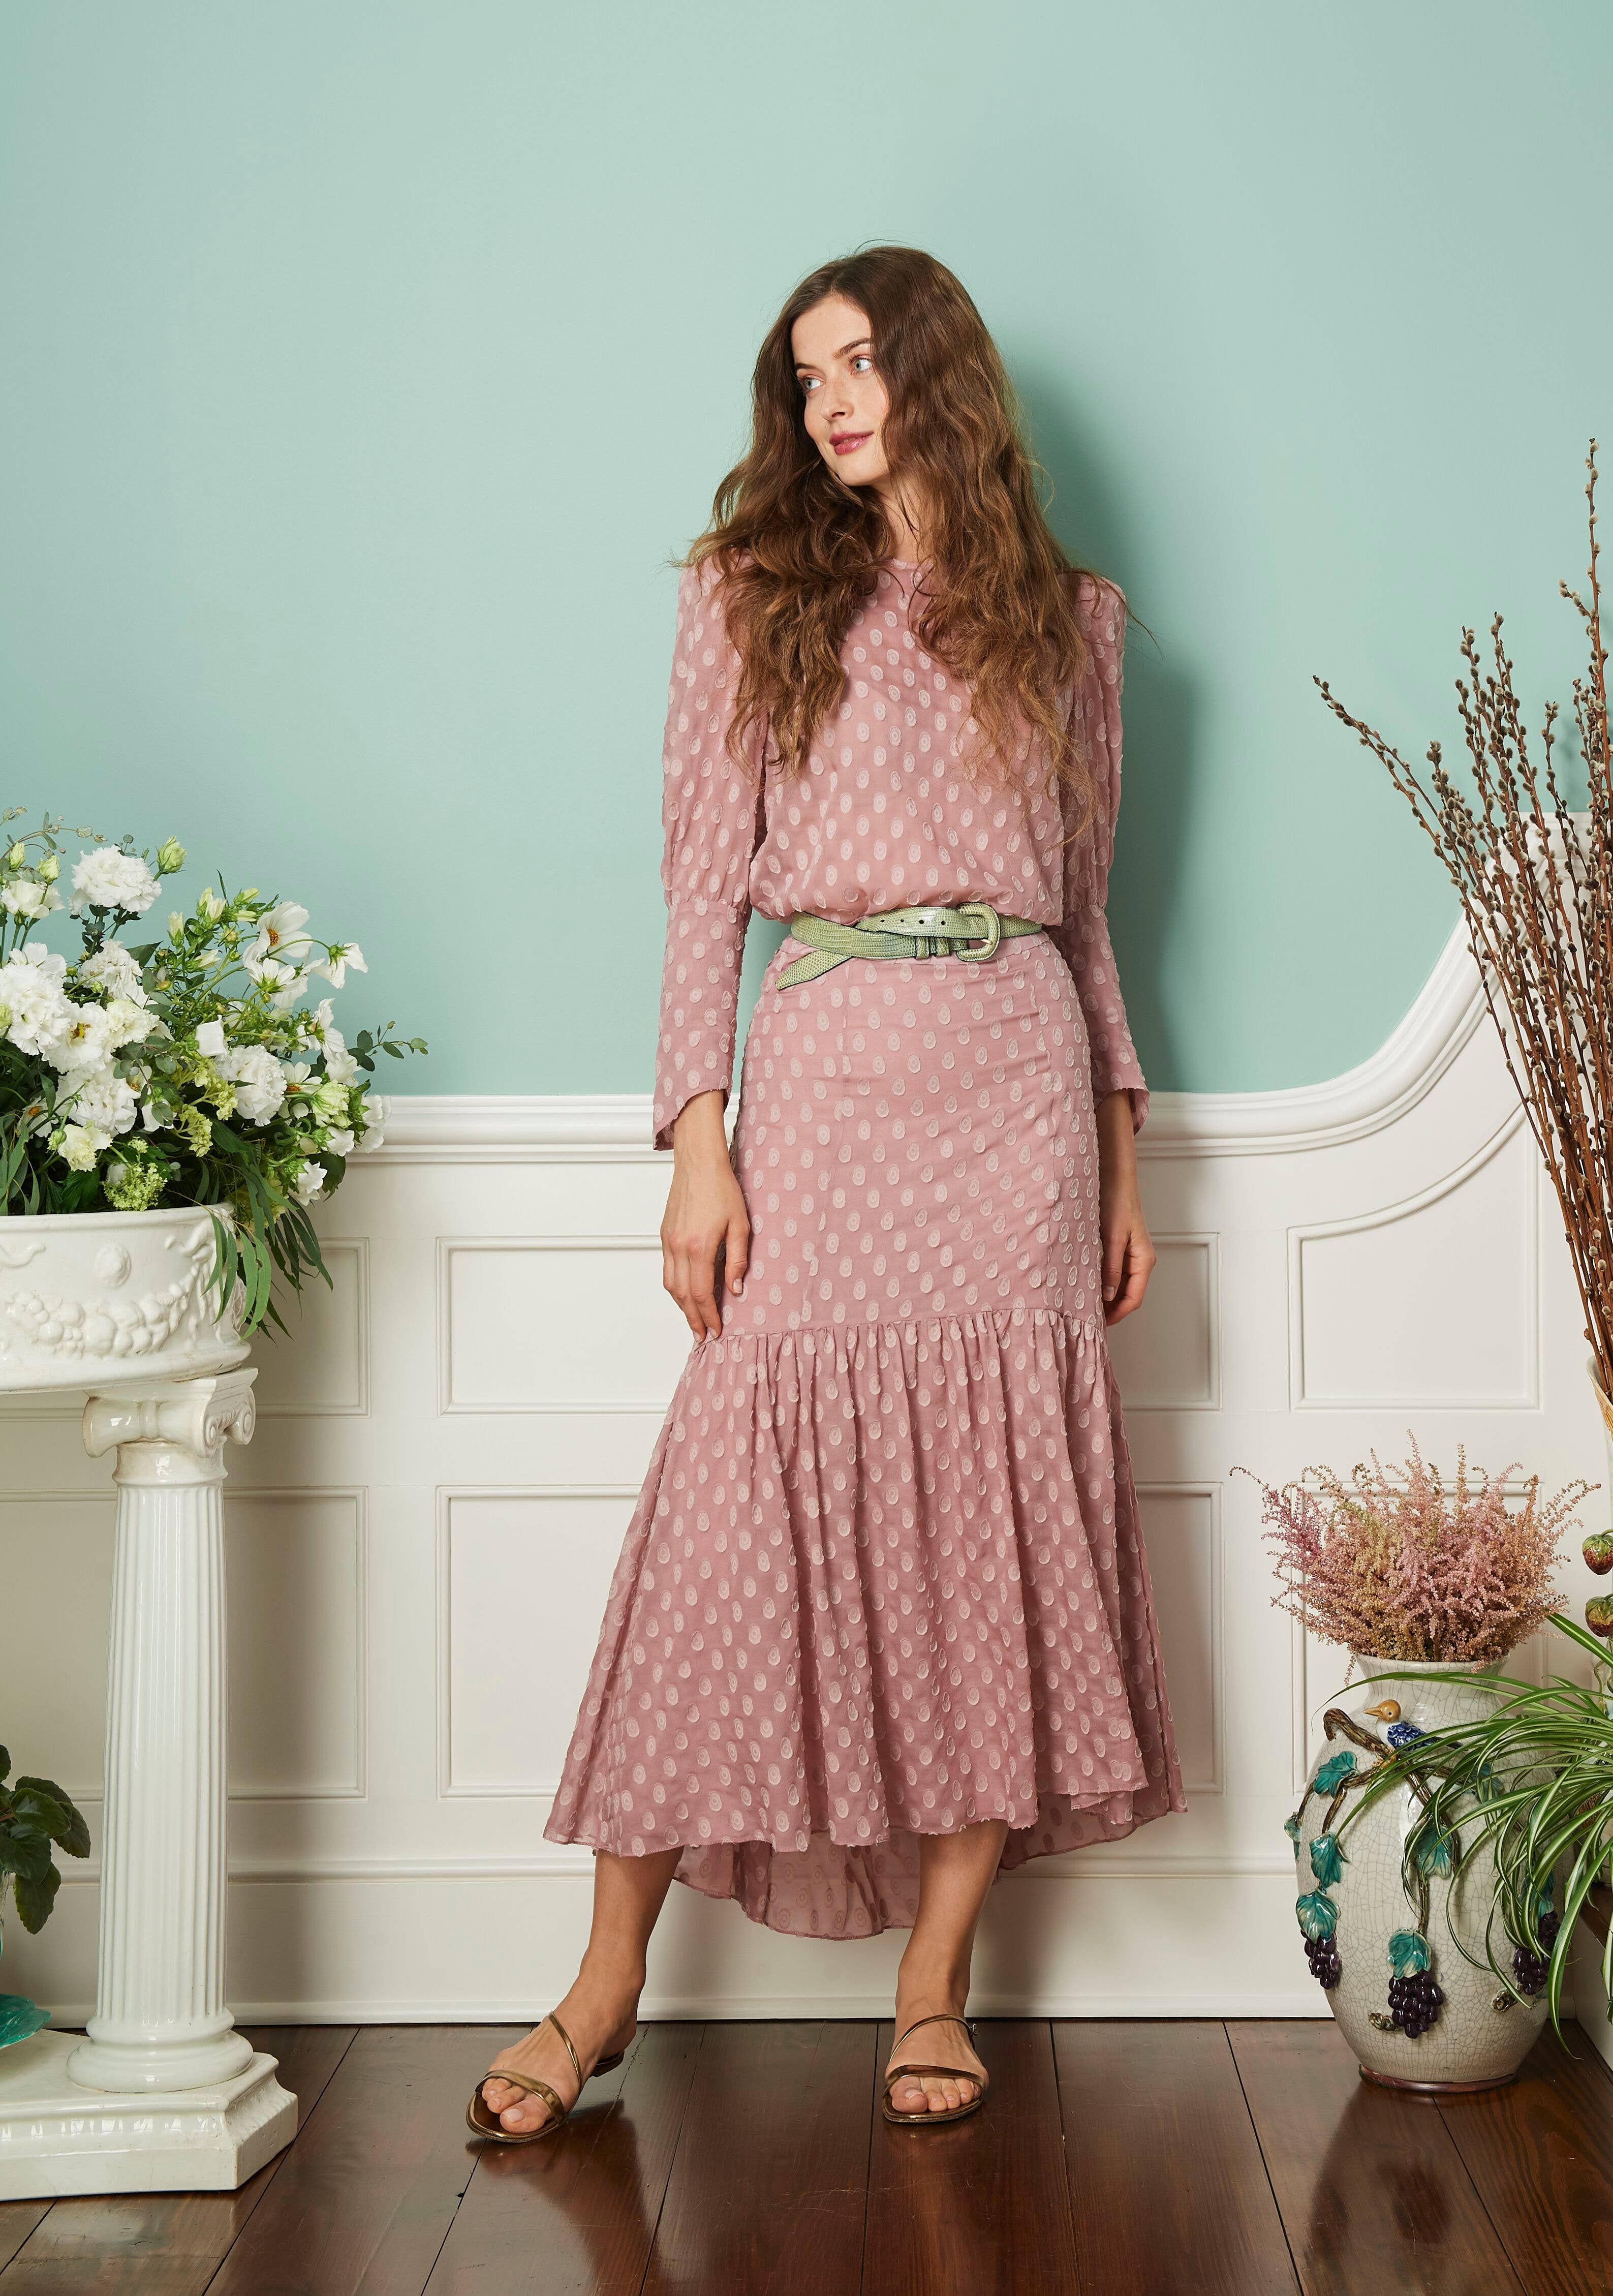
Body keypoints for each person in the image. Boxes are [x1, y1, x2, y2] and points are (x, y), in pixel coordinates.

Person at [470, 244, 1184, 2144]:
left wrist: (1123, 1153)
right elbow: (703, 886)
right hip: (833, 1074)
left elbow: (1089, 913)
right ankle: (603, 1981)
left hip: (1021, 1091)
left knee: (996, 1528)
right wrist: (696, 1137)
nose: (833, 403)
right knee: (729, 1511)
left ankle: (933, 1979)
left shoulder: (1075, 623)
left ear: (943, 374)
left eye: (862, 363)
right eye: (807, 378)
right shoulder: (751, 593)